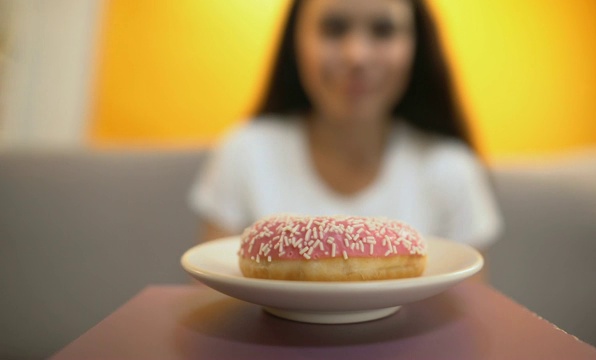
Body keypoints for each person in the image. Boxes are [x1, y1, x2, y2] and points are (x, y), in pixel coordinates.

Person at [189, 0, 502, 251]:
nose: (357, 55)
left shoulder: (451, 168)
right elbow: (218, 303)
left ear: (416, 44)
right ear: (295, 39)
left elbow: (467, 309)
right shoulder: (244, 154)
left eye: (383, 30)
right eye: (334, 29)